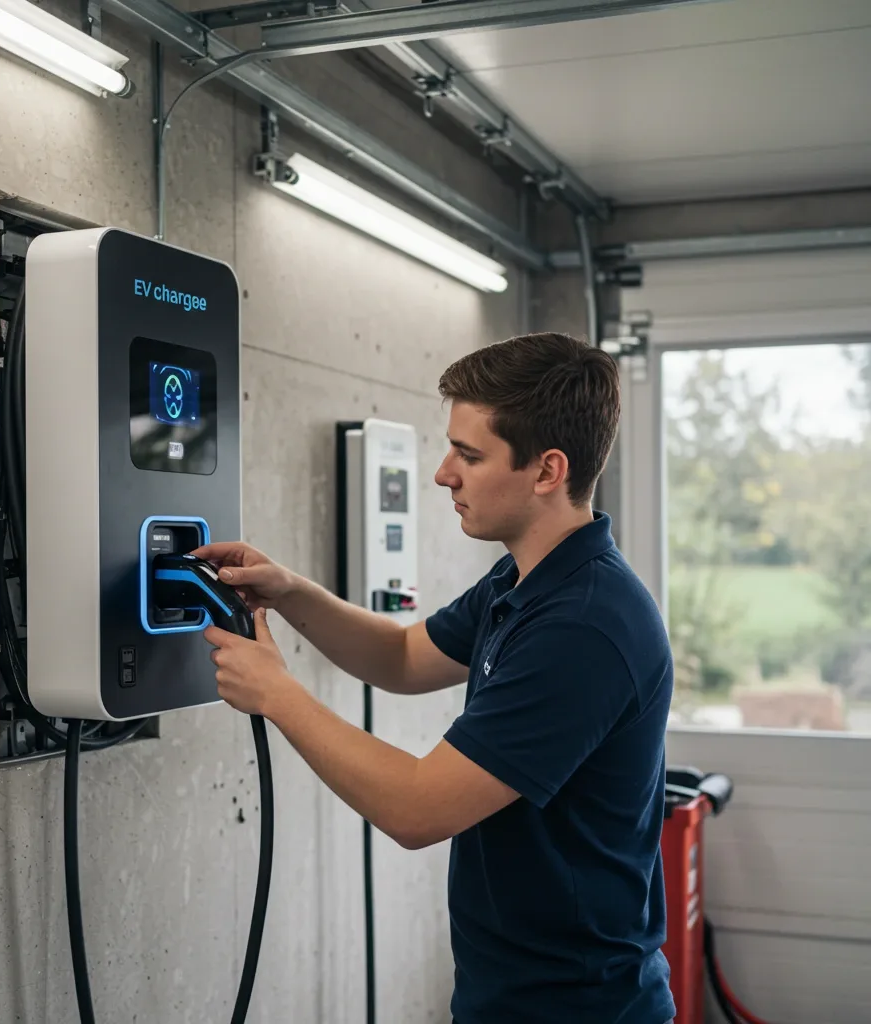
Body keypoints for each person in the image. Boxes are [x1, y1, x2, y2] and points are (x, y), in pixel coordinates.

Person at [196, 332, 676, 1024]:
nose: (442, 473)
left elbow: (418, 810)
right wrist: (291, 591)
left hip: (576, 1007)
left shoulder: (585, 626)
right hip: (507, 995)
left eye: (469, 455)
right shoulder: (526, 579)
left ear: (547, 471)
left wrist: (276, 693)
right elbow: (399, 655)